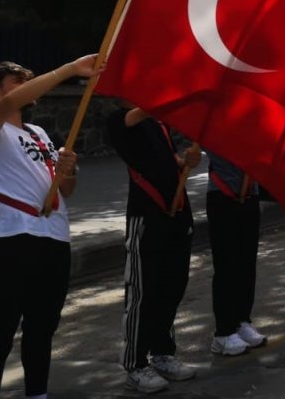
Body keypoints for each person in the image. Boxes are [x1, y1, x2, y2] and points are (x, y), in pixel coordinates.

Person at [0, 56, 97, 399]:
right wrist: (69, 70)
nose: (26, 88)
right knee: (0, 331)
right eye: (18, 82)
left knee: (42, 328)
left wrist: (67, 170)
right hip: (12, 238)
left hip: (54, 236)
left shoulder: (38, 133)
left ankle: (36, 394)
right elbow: (12, 103)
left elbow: (64, 190)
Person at [106, 103, 202, 393]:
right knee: (143, 290)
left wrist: (187, 161)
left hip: (176, 211)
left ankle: (163, 353)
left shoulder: (159, 124)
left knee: (172, 285)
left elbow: (168, 161)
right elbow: (137, 116)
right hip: (147, 215)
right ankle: (135, 363)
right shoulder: (120, 120)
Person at [205, 151, 266, 357]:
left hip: (250, 192)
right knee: (226, 265)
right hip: (222, 195)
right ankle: (223, 332)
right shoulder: (214, 120)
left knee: (246, 263)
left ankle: (242, 321)